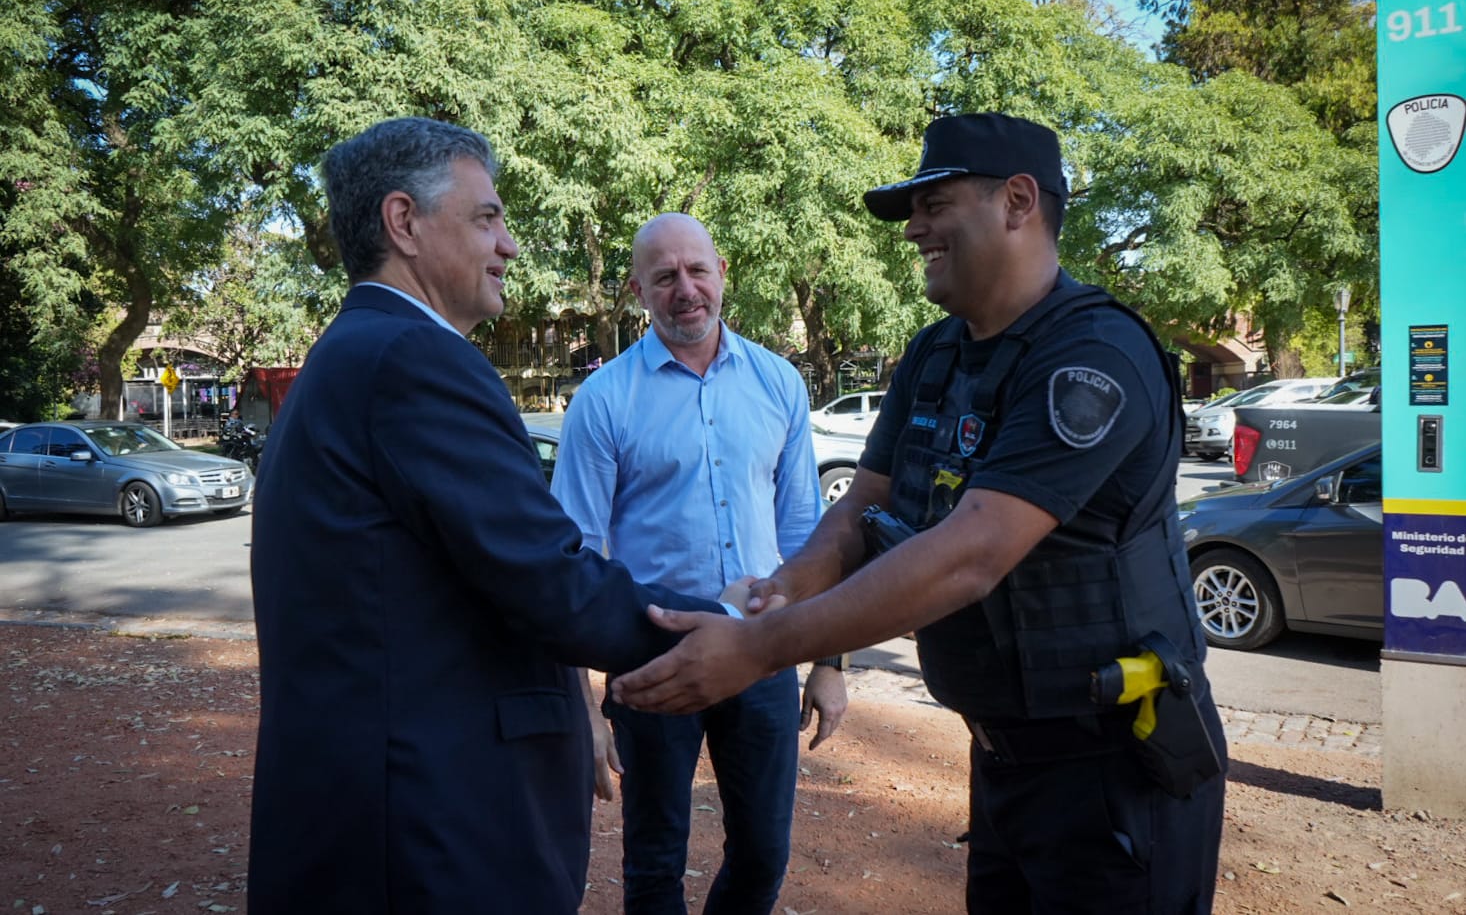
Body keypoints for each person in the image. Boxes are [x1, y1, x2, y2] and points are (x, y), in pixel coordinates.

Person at [611, 113, 1228, 913]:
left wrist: (761, 648)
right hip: (1004, 759)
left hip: (1115, 767)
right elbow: (865, 508)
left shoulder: (1092, 358)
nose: (914, 229)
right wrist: (781, 590)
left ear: (1016, 200)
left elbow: (971, 554)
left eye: (934, 204)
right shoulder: (937, 356)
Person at [248, 117, 743, 914]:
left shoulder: (359, 350)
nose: (509, 244)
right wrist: (729, 625)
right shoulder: (413, 360)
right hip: (425, 827)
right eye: (487, 217)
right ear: (404, 223)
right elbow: (546, 575)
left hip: (384, 809)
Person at [552, 212, 848, 914]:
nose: (685, 288)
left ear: (723, 276)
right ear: (638, 292)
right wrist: (580, 708)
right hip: (652, 654)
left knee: (764, 851)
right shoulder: (603, 401)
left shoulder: (779, 383)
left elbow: (810, 534)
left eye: (696, 270)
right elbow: (570, 558)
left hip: (762, 644)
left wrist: (830, 663)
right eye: (664, 277)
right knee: (655, 858)